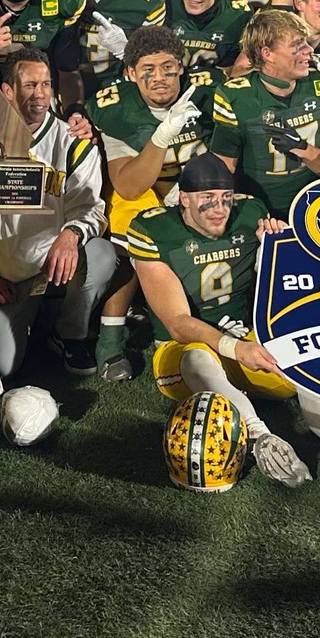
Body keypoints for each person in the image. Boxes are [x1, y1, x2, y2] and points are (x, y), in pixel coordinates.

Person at [129, 153, 320, 487]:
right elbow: (177, 322)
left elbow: (286, 281)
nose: (219, 208)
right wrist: (235, 348)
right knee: (199, 355)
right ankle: (260, 440)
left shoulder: (250, 211)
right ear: (183, 198)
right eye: (207, 199)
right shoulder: (153, 228)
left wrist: (277, 249)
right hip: (181, 355)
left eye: (226, 199)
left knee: (307, 347)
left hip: (245, 340)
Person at [0, 49, 118, 430]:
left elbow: (90, 208)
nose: (40, 93)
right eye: (30, 84)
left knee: (102, 253)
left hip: (61, 266)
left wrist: (71, 235)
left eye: (45, 84)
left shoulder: (73, 140)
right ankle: (33, 322)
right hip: (11, 279)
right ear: (7, 91)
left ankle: (70, 332)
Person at [88, 24, 213, 379]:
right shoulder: (118, 108)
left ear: (181, 66)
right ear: (130, 73)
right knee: (138, 229)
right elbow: (127, 184)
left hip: (194, 188)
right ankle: (110, 337)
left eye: (168, 68)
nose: (159, 78)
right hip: (143, 188)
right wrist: (160, 138)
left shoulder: (204, 92)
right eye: (147, 70)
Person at [209, 8, 320, 214]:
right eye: (297, 45)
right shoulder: (236, 97)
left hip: (318, 205)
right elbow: (223, 172)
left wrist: (303, 148)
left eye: (305, 42)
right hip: (258, 212)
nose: (309, 50)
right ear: (267, 54)